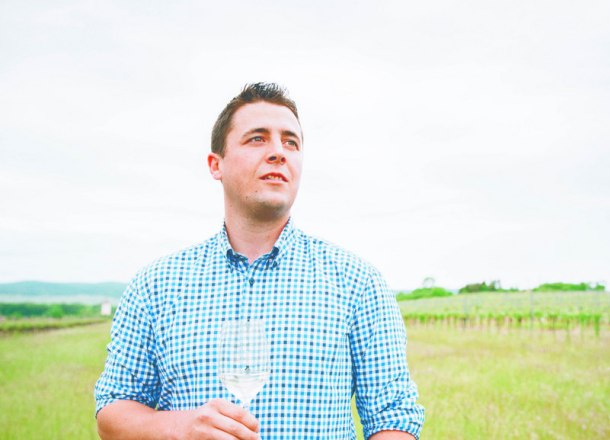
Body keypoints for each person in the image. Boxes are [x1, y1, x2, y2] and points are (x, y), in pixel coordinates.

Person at [94, 83, 425, 439]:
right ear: (215, 164)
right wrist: (178, 427)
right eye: (257, 139)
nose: (278, 153)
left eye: (291, 142)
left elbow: (394, 416)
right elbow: (113, 410)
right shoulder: (156, 285)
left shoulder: (357, 282)